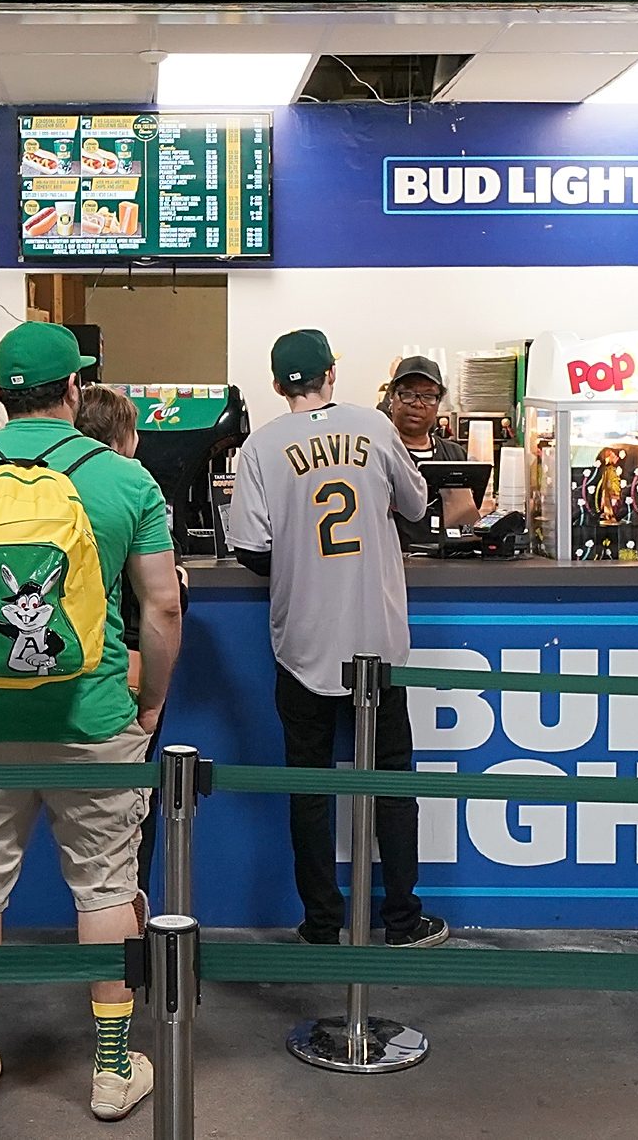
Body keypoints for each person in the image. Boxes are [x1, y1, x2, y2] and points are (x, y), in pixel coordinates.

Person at [0, 322, 183, 1119]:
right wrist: (150, 698)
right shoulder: (125, 480)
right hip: (94, 717)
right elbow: (161, 603)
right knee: (105, 885)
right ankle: (113, 1068)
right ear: (73, 391)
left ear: (0, 393)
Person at [229, 328, 448, 949]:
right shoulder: (373, 427)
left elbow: (250, 547)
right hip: (376, 638)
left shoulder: (262, 446)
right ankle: (403, 919)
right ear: (331, 373)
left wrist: (303, 563)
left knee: (311, 786)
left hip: (302, 642)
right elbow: (415, 503)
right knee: (391, 780)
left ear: (277, 385)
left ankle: (323, 924)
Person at [74, 383, 190, 896]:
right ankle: (129, 930)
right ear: (127, 435)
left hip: (49, 666)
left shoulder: (43, 481)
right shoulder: (135, 484)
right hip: (126, 663)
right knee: (123, 818)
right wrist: (151, 700)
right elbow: (162, 600)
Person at [381, 355, 480, 540]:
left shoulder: (455, 454)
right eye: (408, 394)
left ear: (438, 403)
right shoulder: (379, 453)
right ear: (391, 398)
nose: (418, 404)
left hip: (448, 562)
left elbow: (467, 523)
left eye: (428, 396)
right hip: (396, 562)